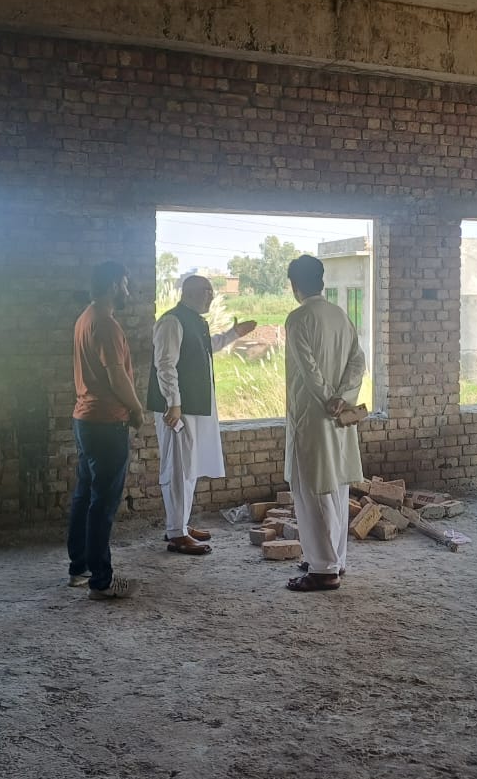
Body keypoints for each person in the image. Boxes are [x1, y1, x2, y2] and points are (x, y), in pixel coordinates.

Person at [147, 274, 256, 555]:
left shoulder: (195, 321)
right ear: (190, 292)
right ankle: (176, 533)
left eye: (211, 291)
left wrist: (233, 334)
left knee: (189, 466)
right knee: (178, 467)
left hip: (192, 406)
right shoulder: (172, 322)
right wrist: (173, 402)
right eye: (206, 291)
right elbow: (165, 364)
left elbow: (208, 348)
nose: (211, 296)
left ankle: (180, 524)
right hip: (179, 408)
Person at [282, 255, 366, 592]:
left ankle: (323, 569)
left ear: (294, 285)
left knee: (312, 489)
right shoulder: (340, 315)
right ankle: (335, 559)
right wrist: (343, 397)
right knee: (337, 487)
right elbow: (358, 361)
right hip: (339, 415)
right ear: (321, 281)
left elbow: (308, 369)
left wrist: (328, 397)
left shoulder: (298, 318)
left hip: (313, 416)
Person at [68, 261, 145, 600]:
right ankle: (102, 581)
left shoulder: (85, 318)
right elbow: (117, 376)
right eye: (125, 284)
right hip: (106, 422)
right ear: (114, 285)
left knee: (85, 496)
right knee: (103, 503)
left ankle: (80, 568)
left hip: (85, 419)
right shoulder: (106, 324)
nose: (128, 290)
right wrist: (136, 409)